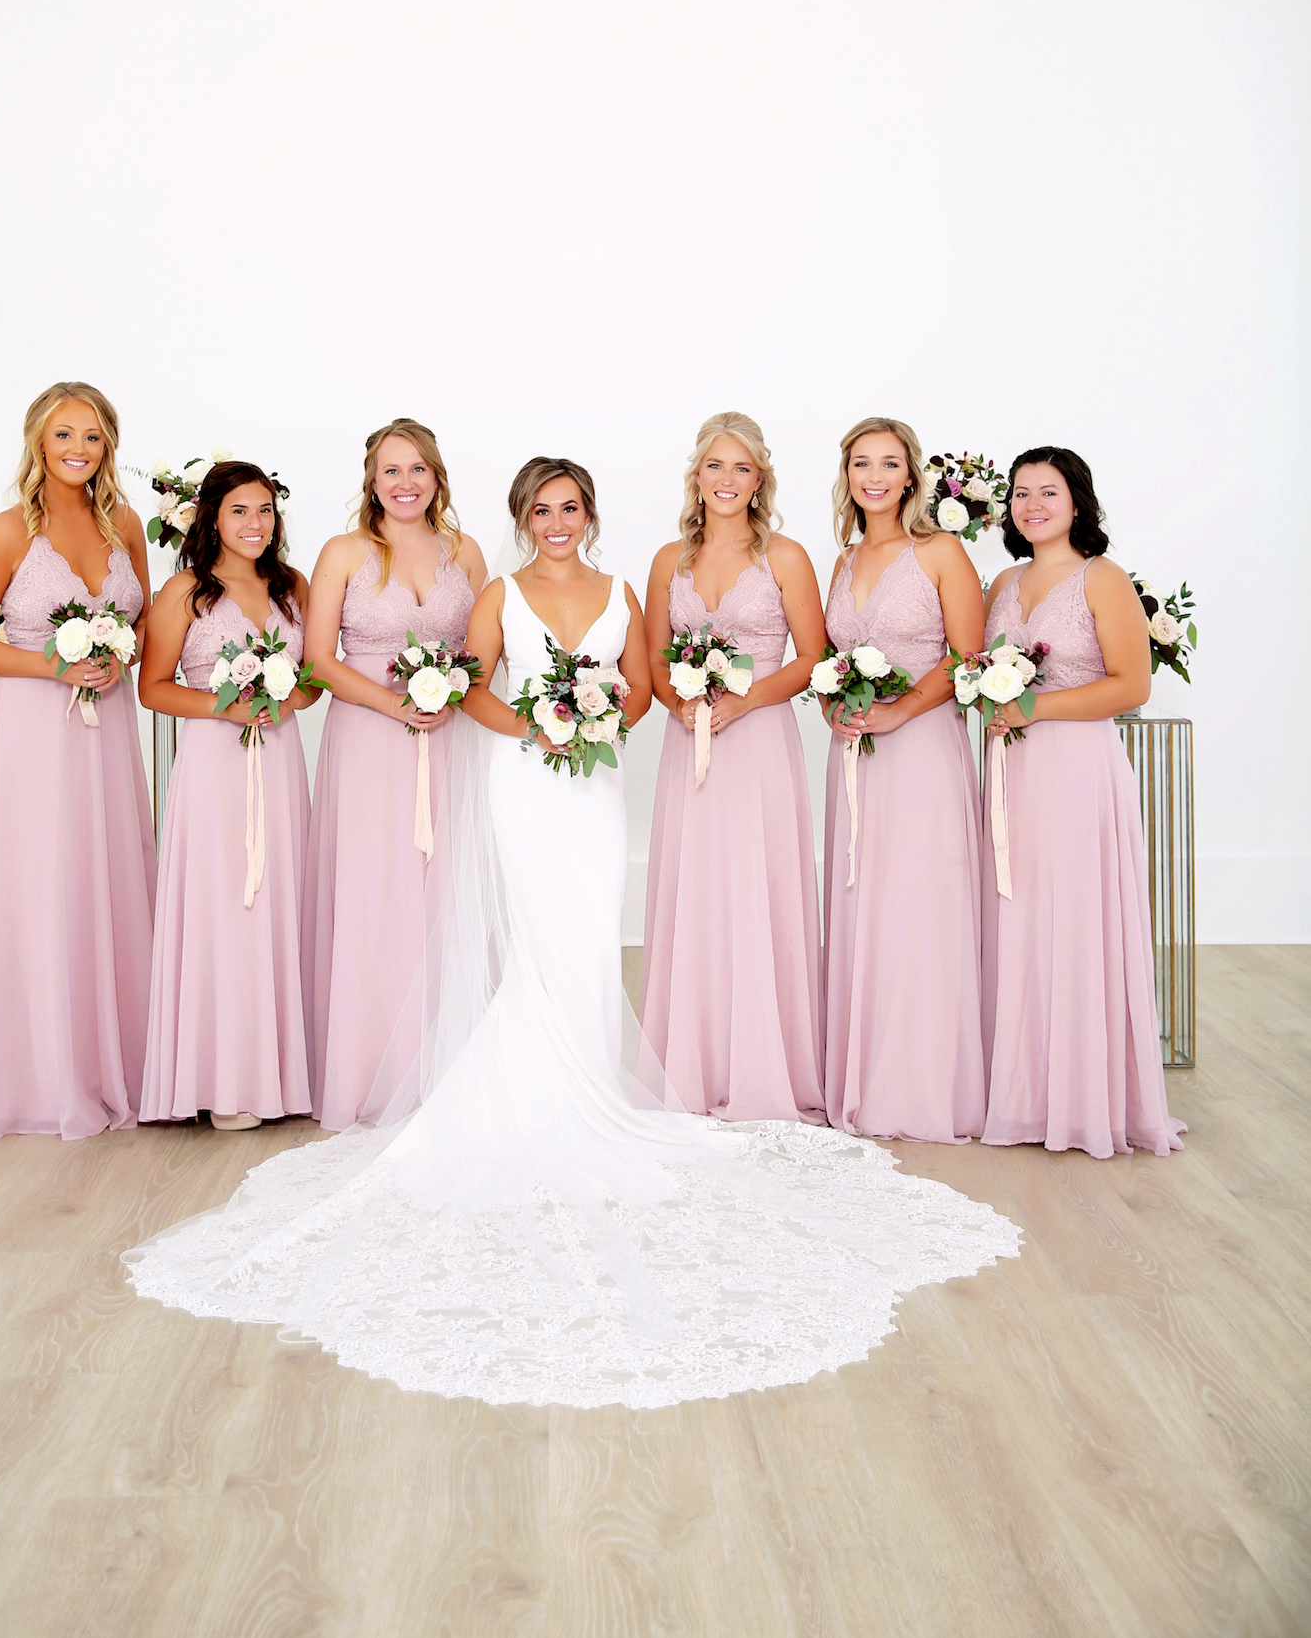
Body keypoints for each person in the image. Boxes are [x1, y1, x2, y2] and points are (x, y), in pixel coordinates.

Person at [127, 457, 1019, 1412]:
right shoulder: (498, 590)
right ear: (521, 519)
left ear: (589, 515)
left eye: (571, 508)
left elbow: (641, 687)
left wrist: (593, 716)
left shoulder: (623, 587)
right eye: (541, 509)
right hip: (522, 779)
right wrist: (533, 729)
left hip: (590, 784)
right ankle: (524, 1089)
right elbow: (468, 687)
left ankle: (592, 1079)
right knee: (535, 927)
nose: (557, 522)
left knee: (589, 928)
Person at [0, 382, 156, 1141]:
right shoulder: (9, 532)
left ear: (109, 447)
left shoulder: (125, 523)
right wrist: (54, 666)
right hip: (36, 731)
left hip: (109, 732)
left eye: (94, 437)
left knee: (107, 877)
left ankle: (123, 1065)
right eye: (64, 434)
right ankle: (36, 1073)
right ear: (38, 441)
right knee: (40, 885)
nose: (79, 449)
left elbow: (148, 624)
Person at [980, 447, 1185, 1157]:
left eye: (1049, 491)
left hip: (1075, 770)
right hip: (1010, 771)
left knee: (1074, 918)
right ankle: (1025, 1090)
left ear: (1077, 503)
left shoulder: (1104, 579)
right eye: (1020, 493)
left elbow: (1132, 686)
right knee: (1019, 918)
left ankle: (1084, 1096)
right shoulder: (1003, 581)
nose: (1032, 504)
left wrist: (1034, 705)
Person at [640, 413, 828, 1119]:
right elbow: (655, 660)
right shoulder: (668, 561)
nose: (726, 480)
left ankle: (763, 1063)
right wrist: (680, 704)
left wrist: (740, 703)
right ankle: (693, 1061)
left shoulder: (785, 556)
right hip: (689, 741)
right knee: (698, 888)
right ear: (697, 476)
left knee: (758, 886)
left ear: (760, 479)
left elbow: (811, 658)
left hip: (758, 743)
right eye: (714, 466)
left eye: (741, 468)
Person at [304, 420, 487, 1128]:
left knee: (442, 885)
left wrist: (451, 695)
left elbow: (482, 649)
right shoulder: (345, 552)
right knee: (374, 888)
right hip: (367, 743)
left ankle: (445, 1062)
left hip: (448, 742)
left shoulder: (464, 553)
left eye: (418, 469)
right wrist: (396, 705)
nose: (405, 483)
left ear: (437, 477)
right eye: (391, 471)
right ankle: (366, 1064)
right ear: (371, 481)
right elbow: (320, 657)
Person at [139, 463, 323, 1131]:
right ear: (211, 517)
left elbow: (312, 682)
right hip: (215, 770)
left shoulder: (293, 588)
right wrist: (229, 709)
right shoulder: (186, 591)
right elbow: (153, 688)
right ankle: (219, 1080)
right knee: (221, 913)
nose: (255, 524)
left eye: (266, 511)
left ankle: (281, 1073)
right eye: (241, 511)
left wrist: (283, 699)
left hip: (277, 763)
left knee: (277, 906)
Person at [821, 416, 987, 1142]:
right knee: (865, 899)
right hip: (854, 755)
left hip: (920, 751)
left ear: (912, 475)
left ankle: (924, 1084)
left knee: (922, 903)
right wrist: (835, 703)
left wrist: (899, 715)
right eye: (863, 463)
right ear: (847, 476)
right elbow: (831, 656)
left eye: (890, 463)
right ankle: (864, 1074)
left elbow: (966, 658)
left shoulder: (941, 551)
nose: (876, 477)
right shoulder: (841, 561)